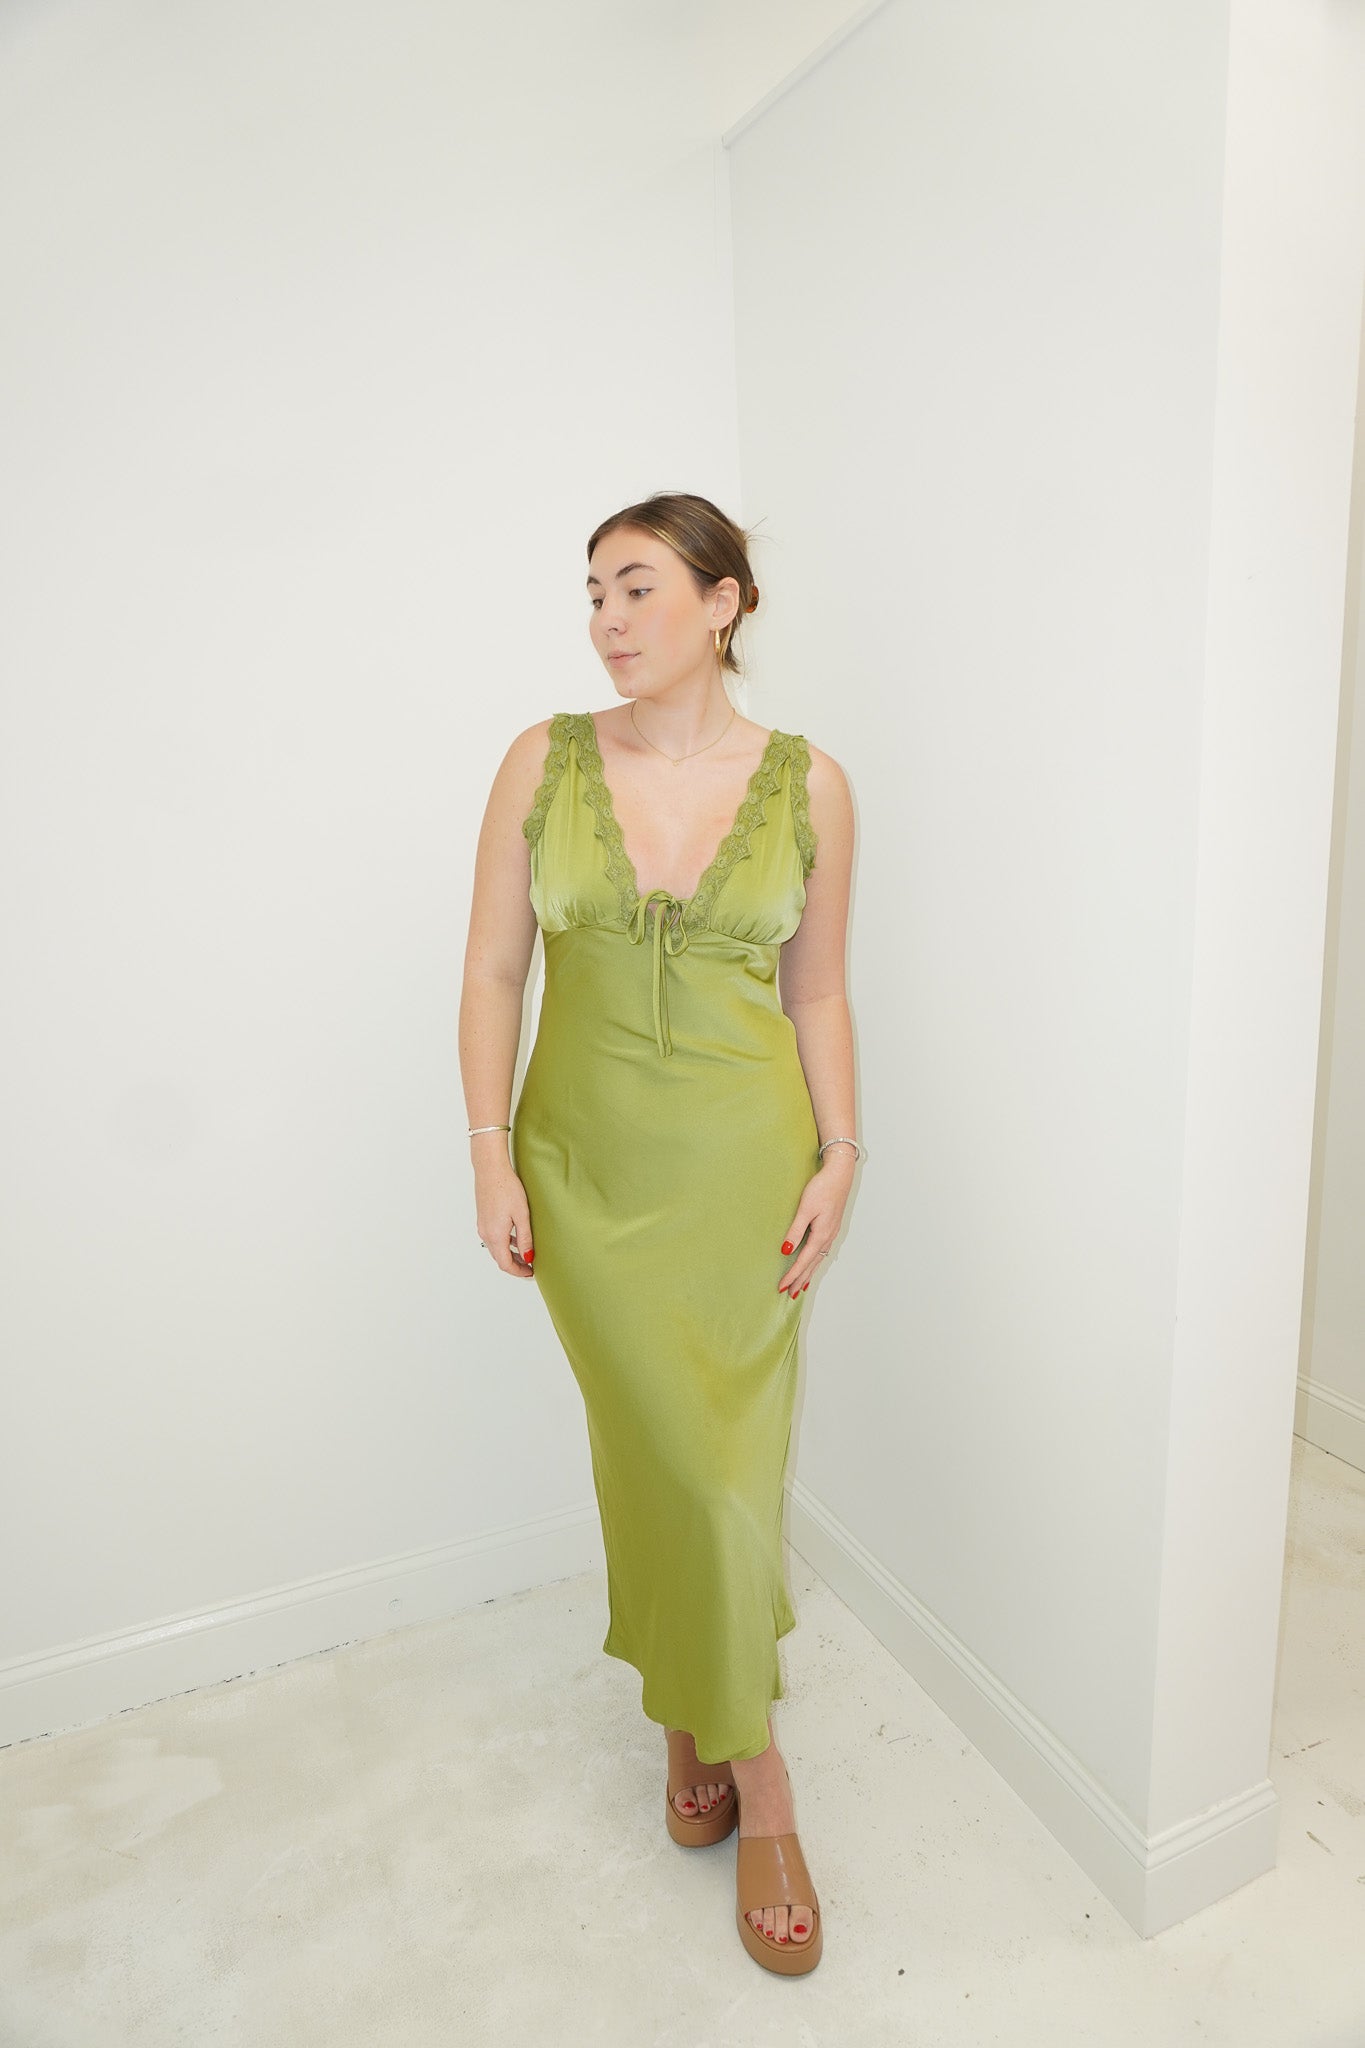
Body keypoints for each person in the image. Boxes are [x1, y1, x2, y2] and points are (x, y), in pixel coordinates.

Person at [458, 491, 858, 1975]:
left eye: (635, 587)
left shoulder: (811, 785)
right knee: (655, 1457)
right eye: (593, 593)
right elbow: (493, 972)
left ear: (722, 600)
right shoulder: (541, 760)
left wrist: (840, 1153)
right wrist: (490, 1154)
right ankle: (722, 1734)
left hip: (744, 1174)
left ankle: (736, 1757)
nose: (607, 620)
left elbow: (819, 989)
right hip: (584, 1173)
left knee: (726, 1475)